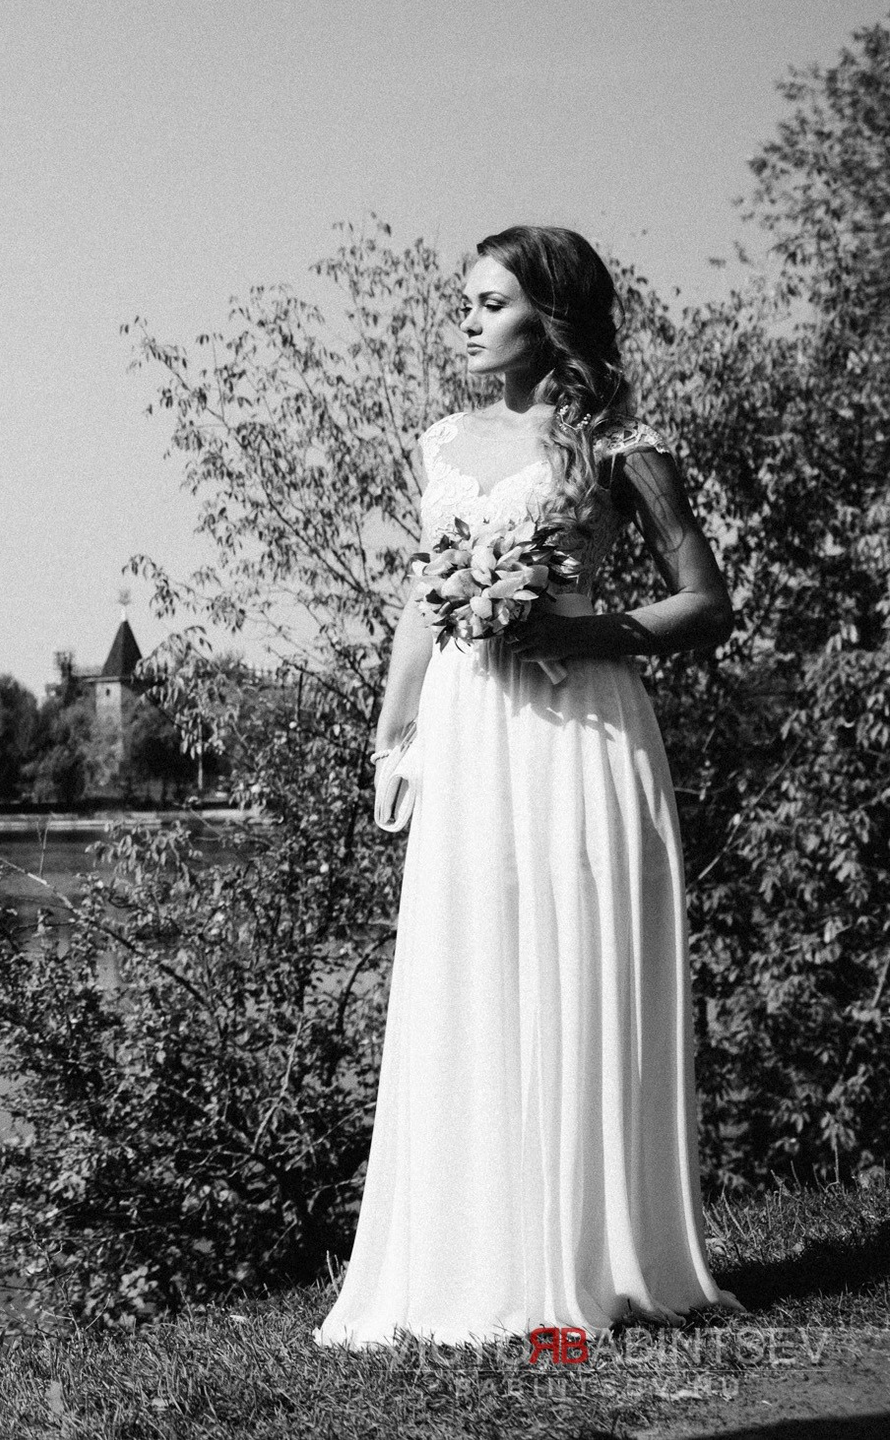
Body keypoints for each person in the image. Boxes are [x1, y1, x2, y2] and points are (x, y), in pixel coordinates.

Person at [315, 224, 739, 1347]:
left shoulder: (619, 445)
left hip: (579, 730)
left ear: (547, 317)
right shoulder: (439, 443)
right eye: (463, 298)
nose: (463, 318)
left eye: (489, 300)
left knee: (571, 960)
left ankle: (593, 1258)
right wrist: (390, 738)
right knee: (471, 964)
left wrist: (584, 628)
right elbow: (421, 599)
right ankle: (465, 1255)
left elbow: (706, 603)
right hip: (466, 733)